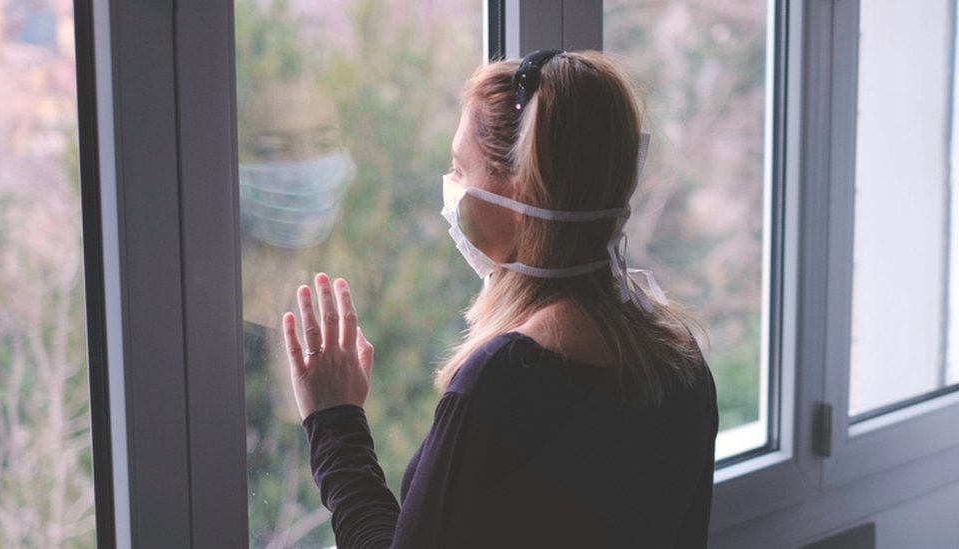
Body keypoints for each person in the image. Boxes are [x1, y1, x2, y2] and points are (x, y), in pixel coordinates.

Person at [281, 50, 719, 548]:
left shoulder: (505, 382)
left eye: (459, 168)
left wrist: (334, 420)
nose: (451, 190)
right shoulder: (678, 356)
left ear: (520, 190)